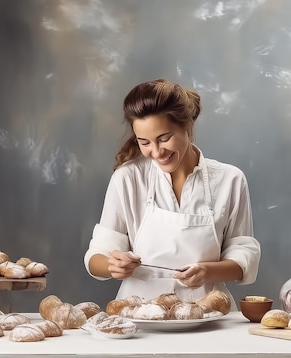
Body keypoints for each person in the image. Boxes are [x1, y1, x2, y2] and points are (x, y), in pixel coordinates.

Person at [84, 78, 260, 309]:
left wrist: (209, 272)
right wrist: (112, 265)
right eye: (144, 142)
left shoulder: (230, 180)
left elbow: (244, 255)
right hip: (139, 316)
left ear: (187, 126)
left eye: (164, 138)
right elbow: (97, 254)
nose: (156, 152)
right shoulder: (127, 178)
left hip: (209, 316)